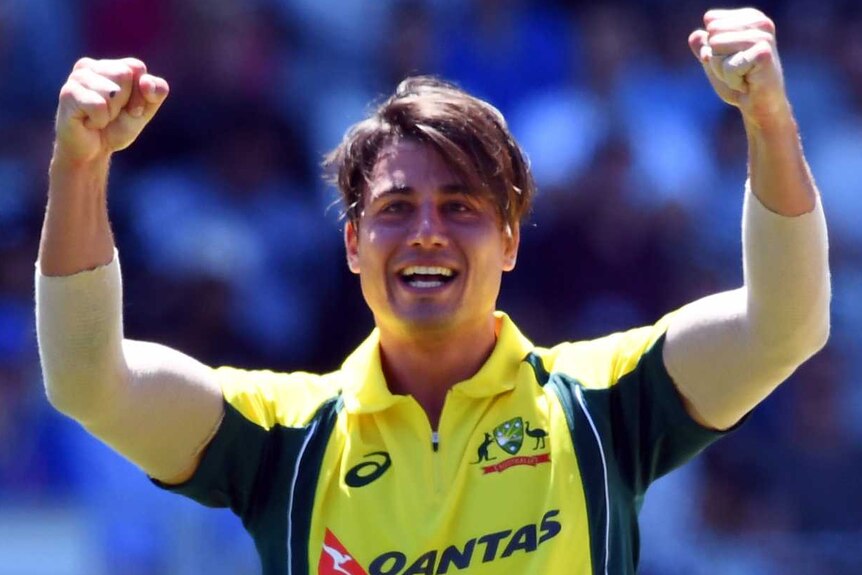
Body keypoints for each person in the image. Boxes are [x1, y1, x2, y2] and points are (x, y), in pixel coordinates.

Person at [36, 8, 829, 575]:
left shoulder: (600, 402)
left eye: (460, 207)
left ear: (511, 239)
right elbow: (86, 379)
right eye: (393, 209)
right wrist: (80, 165)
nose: (426, 232)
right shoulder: (282, 435)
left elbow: (786, 324)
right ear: (352, 244)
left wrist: (767, 117)